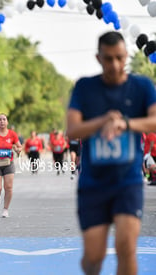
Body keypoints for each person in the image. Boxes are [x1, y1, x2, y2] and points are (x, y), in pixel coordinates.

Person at [66, 31, 156, 275]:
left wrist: (126, 124)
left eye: (119, 57)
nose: (114, 64)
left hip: (128, 182)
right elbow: (72, 129)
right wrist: (102, 120)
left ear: (126, 55)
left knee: (126, 247)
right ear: (99, 57)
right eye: (108, 59)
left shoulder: (142, 87)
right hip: (94, 184)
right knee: (94, 258)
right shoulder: (85, 88)